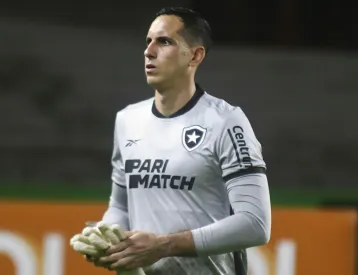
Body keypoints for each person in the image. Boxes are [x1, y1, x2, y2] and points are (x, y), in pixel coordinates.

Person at [92, 6, 271, 275]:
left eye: (164, 41)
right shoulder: (128, 121)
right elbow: (120, 206)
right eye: (148, 41)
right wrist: (107, 237)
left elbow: (255, 224)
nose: (148, 51)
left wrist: (164, 245)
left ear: (195, 55)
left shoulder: (226, 122)